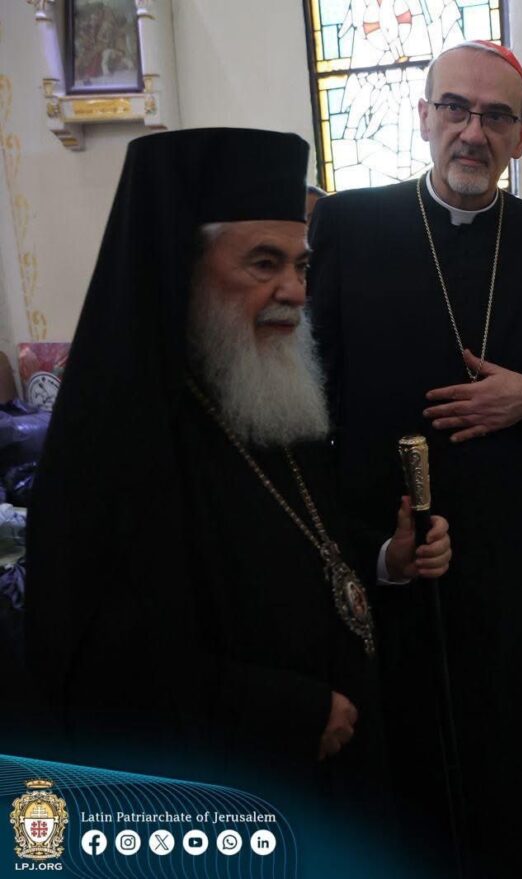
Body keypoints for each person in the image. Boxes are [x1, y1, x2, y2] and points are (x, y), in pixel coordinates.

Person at [22, 128, 451, 868]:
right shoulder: (121, 437)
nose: (295, 291)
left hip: (331, 786)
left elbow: (304, 549)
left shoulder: (265, 390)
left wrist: (387, 559)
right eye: (263, 263)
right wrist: (289, 711)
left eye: (300, 264)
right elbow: (103, 660)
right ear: (183, 269)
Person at [307, 40, 522, 875]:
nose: (473, 132)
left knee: (508, 745)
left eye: (496, 116)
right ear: (424, 117)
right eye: (456, 109)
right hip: (386, 541)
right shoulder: (351, 224)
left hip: (508, 543)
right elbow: (314, 379)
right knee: (397, 750)